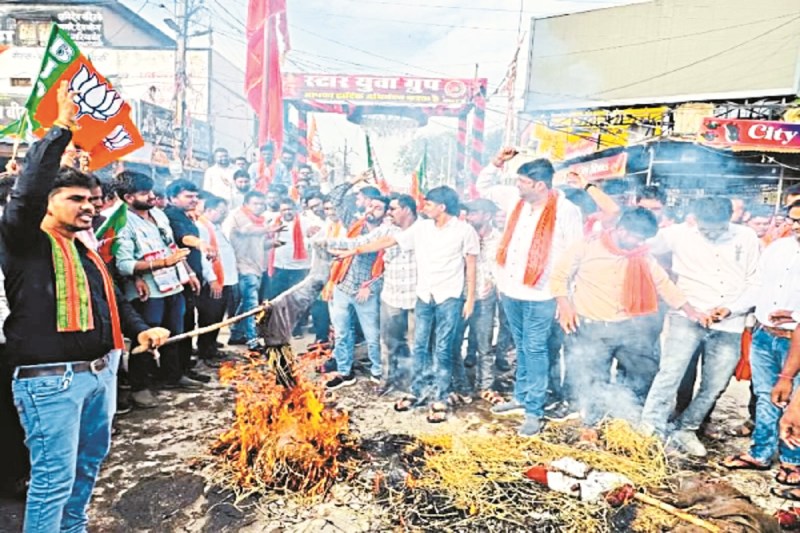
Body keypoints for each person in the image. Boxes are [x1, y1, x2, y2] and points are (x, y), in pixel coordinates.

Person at [0, 81, 169, 533]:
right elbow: (27, 190)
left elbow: (108, 302)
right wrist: (60, 129)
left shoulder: (84, 249)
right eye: (75, 199)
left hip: (100, 375)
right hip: (52, 382)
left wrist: (138, 331)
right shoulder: (25, 241)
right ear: (45, 204)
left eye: (92, 201)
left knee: (86, 471)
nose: (89, 208)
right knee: (53, 481)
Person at [332, 186, 478, 423]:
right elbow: (389, 241)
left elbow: (471, 266)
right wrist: (354, 250)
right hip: (424, 296)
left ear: (442, 207)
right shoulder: (422, 228)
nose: (424, 207)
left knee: (441, 349)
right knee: (419, 347)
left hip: (449, 298)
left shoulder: (464, 231)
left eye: (428, 204)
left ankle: (439, 398)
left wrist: (469, 298)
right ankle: (416, 391)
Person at [550, 207, 701, 426]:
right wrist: (564, 306)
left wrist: (691, 311)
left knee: (645, 372)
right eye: (636, 238)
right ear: (621, 229)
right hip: (592, 328)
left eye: (643, 240)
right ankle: (592, 424)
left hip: (628, 328)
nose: (638, 244)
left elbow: (663, 284)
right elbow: (559, 276)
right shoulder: (586, 246)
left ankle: (627, 417)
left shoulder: (641, 255)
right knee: (594, 380)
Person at [639, 196, 760, 457]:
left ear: (730, 219)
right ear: (694, 219)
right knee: (670, 373)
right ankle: (650, 427)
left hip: (730, 322)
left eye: (717, 228)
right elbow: (641, 244)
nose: (710, 233)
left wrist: (732, 308)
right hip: (687, 316)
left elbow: (755, 282)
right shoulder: (678, 234)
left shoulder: (747, 237)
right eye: (705, 228)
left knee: (715, 384)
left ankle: (686, 428)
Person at [476, 148, 583, 437]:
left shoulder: (567, 211)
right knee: (522, 347)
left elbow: (574, 256)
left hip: (543, 294)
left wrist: (566, 298)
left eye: (522, 182)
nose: (517, 186)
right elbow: (483, 186)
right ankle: (521, 397)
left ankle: (534, 410)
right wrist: (496, 161)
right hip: (511, 290)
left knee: (535, 349)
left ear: (540, 185)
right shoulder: (516, 201)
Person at [722, 201, 800, 492]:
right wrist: (731, 309)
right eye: (792, 220)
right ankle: (760, 453)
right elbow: (758, 287)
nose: (795, 226)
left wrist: (796, 316)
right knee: (765, 396)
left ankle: (793, 460)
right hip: (764, 335)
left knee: (795, 401)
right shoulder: (778, 248)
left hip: (797, 341)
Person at [114, 172, 198, 407]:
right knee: (147, 337)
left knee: (174, 333)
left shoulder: (158, 215)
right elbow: (124, 264)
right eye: (144, 193)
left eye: (151, 192)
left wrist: (188, 272)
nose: (152, 197)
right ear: (128, 197)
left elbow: (171, 247)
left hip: (173, 285)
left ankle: (173, 376)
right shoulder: (122, 222)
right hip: (148, 292)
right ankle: (140, 387)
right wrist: (162, 263)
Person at [323, 195, 390, 389]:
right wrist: (355, 180)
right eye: (370, 206)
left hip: (366, 294)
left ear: (385, 214)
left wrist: (371, 287)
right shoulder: (355, 226)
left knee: (373, 335)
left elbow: (389, 268)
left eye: (377, 208)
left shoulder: (388, 235)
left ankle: (378, 372)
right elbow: (336, 198)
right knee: (342, 333)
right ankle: (345, 371)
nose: (371, 210)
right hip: (342, 286)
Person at [451, 199, 502, 405]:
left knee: (484, 345)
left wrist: (495, 283)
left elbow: (503, 267)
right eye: (469, 213)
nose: (470, 217)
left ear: (487, 216)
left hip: (484, 298)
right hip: (458, 296)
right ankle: (459, 385)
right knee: (453, 343)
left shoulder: (499, 239)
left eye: (475, 213)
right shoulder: (461, 234)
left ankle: (485, 386)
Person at [163, 179, 207, 382]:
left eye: (196, 197)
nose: (194, 200)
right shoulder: (172, 216)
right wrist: (201, 244)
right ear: (172, 198)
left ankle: (184, 367)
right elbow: (183, 238)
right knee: (181, 325)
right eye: (188, 196)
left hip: (187, 276)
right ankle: (176, 373)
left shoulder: (183, 215)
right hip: (177, 280)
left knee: (188, 323)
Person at [227, 191, 280, 349]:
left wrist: (274, 243)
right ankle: (252, 340)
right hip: (243, 265)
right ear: (246, 204)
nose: (259, 207)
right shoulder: (238, 216)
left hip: (256, 265)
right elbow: (245, 232)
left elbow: (258, 244)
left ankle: (236, 334)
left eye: (261, 204)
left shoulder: (260, 220)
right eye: (255, 203)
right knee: (251, 303)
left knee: (246, 302)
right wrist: (269, 229)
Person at [196, 196, 239, 364]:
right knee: (209, 317)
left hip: (225, 279)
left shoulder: (216, 227)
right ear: (209, 210)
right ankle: (205, 352)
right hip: (214, 281)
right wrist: (212, 279)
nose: (225, 215)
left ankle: (211, 346)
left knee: (217, 316)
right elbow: (203, 257)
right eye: (221, 212)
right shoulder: (202, 228)